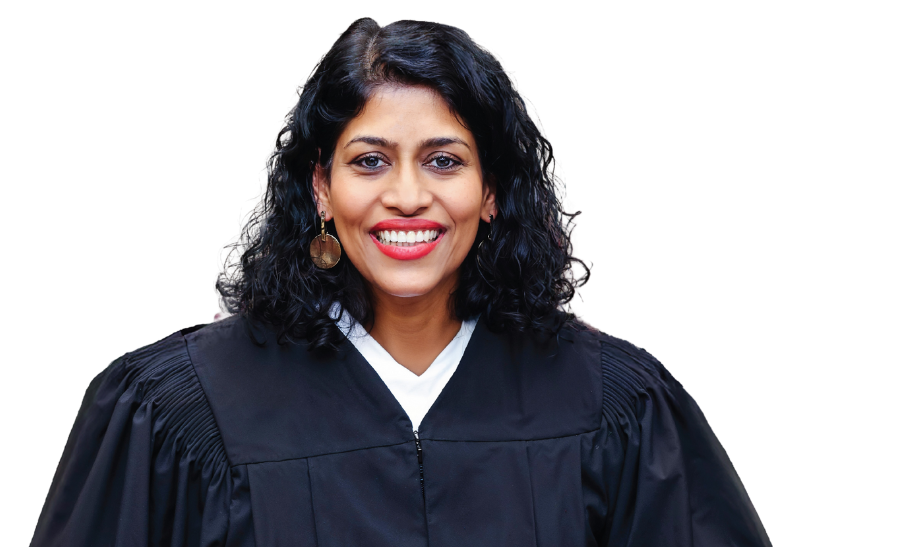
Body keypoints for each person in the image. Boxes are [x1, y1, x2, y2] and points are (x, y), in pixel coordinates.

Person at [31, 18, 771, 547]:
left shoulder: (615, 404)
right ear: (321, 188)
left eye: (445, 160)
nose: (408, 197)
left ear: (491, 192)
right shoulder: (177, 411)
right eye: (369, 161)